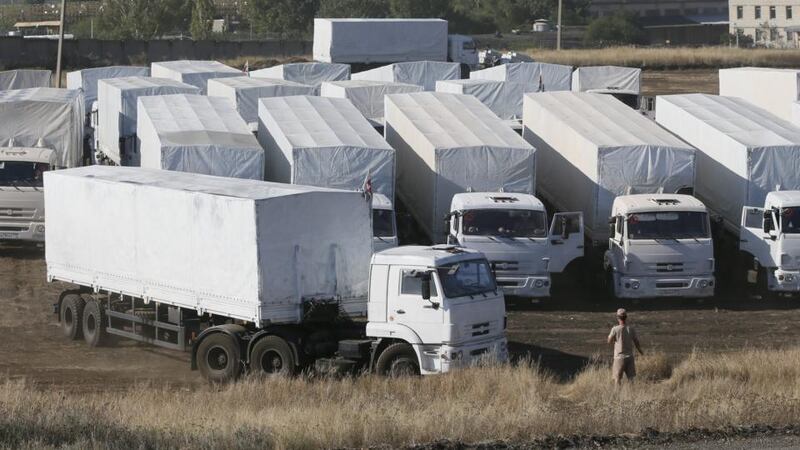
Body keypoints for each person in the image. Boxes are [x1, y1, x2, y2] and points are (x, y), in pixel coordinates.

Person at [607, 308, 643, 386]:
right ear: (626, 317)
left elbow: (609, 341)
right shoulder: (631, 329)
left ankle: (617, 396)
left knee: (617, 379)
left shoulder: (615, 329)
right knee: (631, 379)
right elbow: (636, 342)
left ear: (617, 318)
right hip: (630, 357)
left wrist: (613, 339)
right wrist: (641, 352)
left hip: (619, 357)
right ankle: (631, 395)